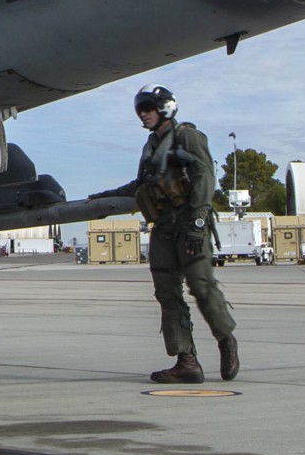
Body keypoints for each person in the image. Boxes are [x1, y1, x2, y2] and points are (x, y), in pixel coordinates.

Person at [92, 85, 239, 384]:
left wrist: (198, 224)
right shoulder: (150, 147)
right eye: (140, 110)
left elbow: (204, 178)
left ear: (165, 108)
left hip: (188, 222)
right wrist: (100, 198)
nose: (143, 114)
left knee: (202, 287)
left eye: (148, 108)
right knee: (167, 293)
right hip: (163, 227)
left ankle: (226, 340)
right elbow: (140, 185)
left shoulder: (188, 137)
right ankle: (186, 361)